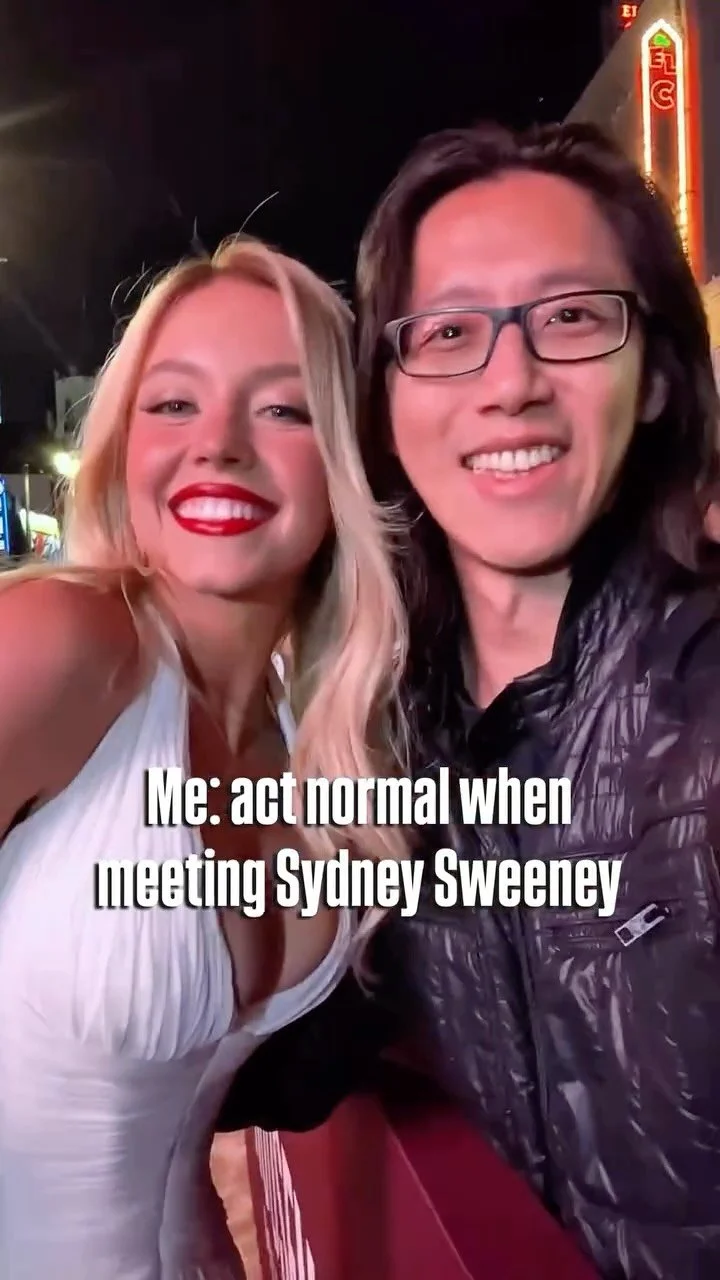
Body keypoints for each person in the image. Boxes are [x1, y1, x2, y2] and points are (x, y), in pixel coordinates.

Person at [228, 123, 720, 1280]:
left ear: (656, 378)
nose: (510, 383)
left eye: (573, 316)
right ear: (383, 405)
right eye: (447, 332)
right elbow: (280, 1070)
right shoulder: (383, 732)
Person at [0, 235, 409, 1280]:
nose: (218, 446)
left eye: (284, 409)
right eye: (174, 403)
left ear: (346, 462)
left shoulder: (326, 742)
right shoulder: (59, 647)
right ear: (122, 448)